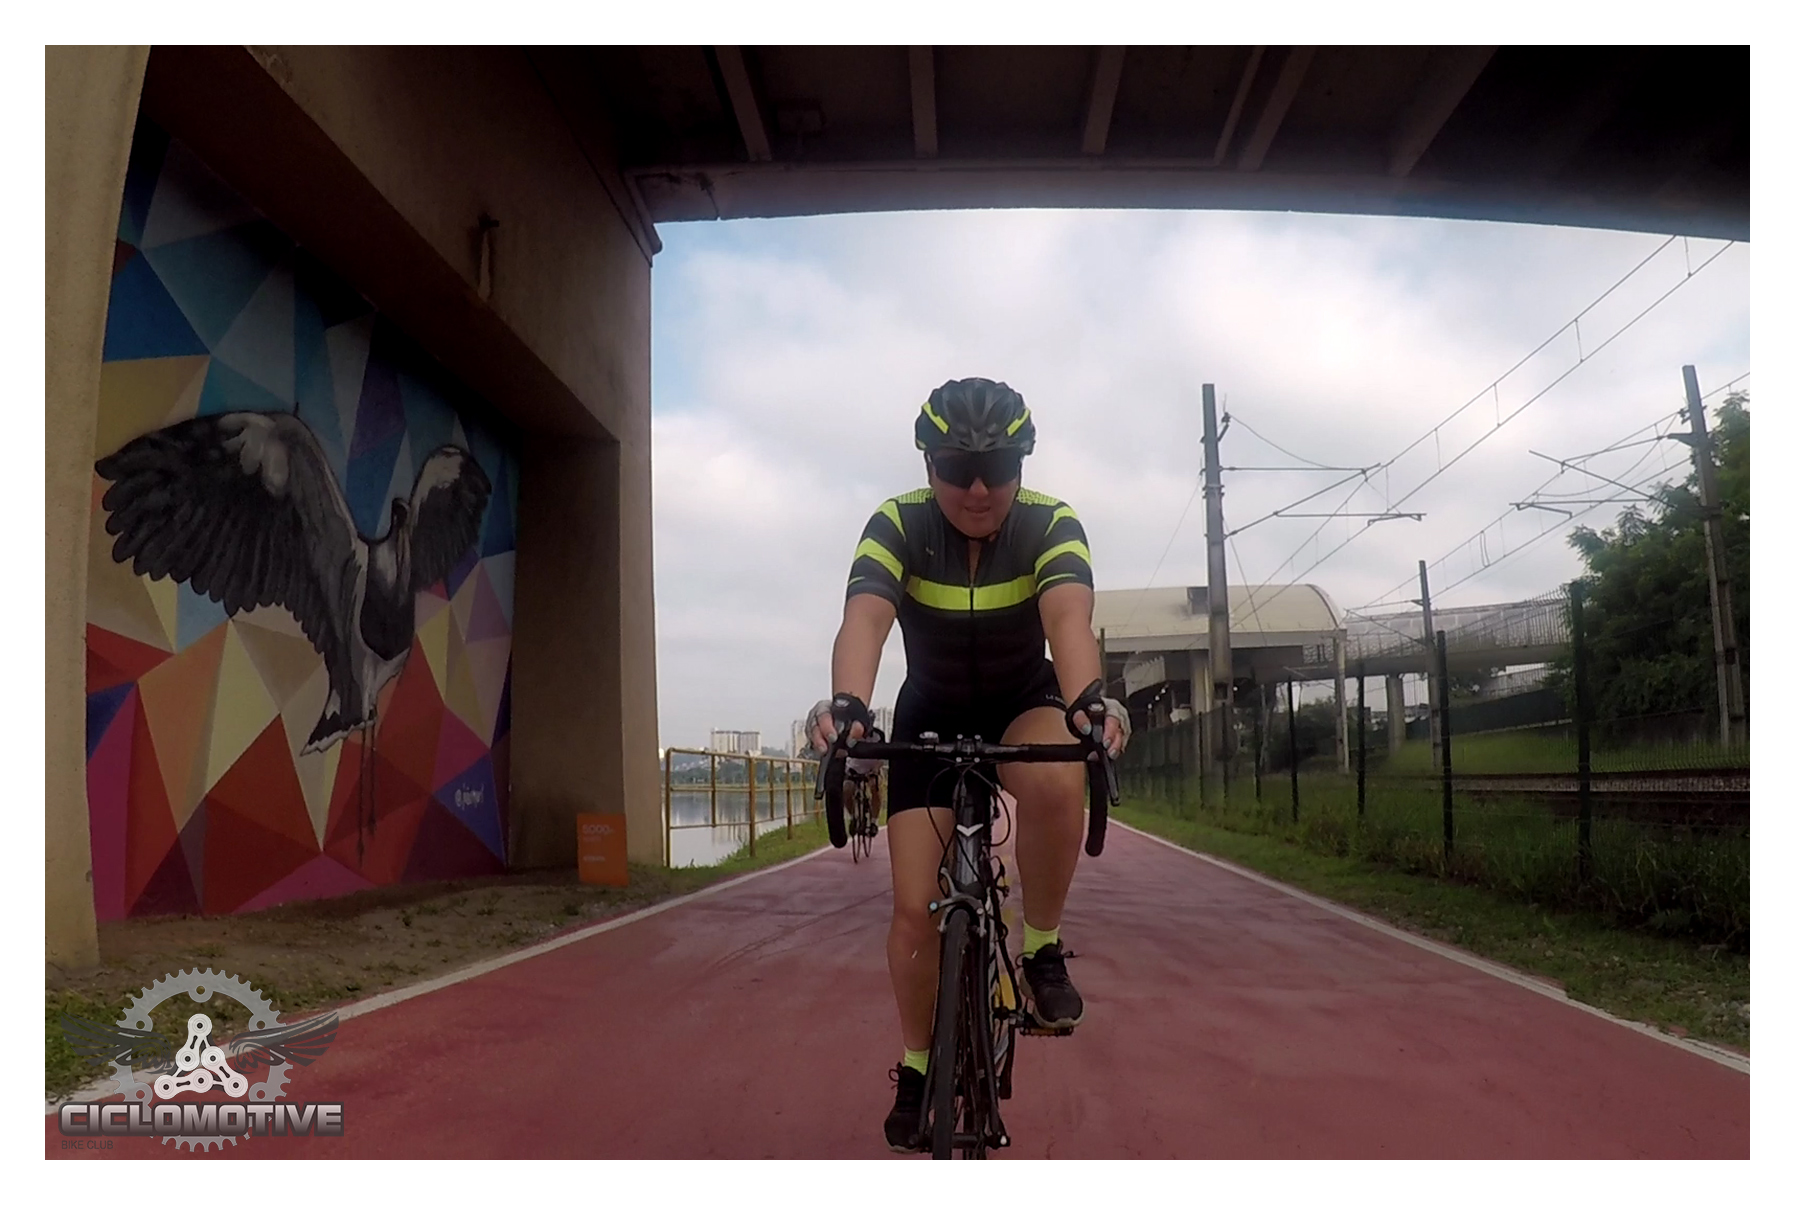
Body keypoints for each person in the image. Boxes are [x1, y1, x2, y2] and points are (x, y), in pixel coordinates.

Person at [805, 377, 1129, 1153]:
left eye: (997, 467)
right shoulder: (898, 523)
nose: (978, 488)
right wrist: (848, 705)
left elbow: (1068, 618)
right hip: (929, 714)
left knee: (1057, 773)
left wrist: (1088, 701)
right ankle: (919, 1065)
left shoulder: (1049, 522)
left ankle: (1040, 946)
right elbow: (865, 619)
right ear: (928, 465)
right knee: (913, 909)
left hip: (1022, 700)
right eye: (957, 467)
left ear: (1022, 465)